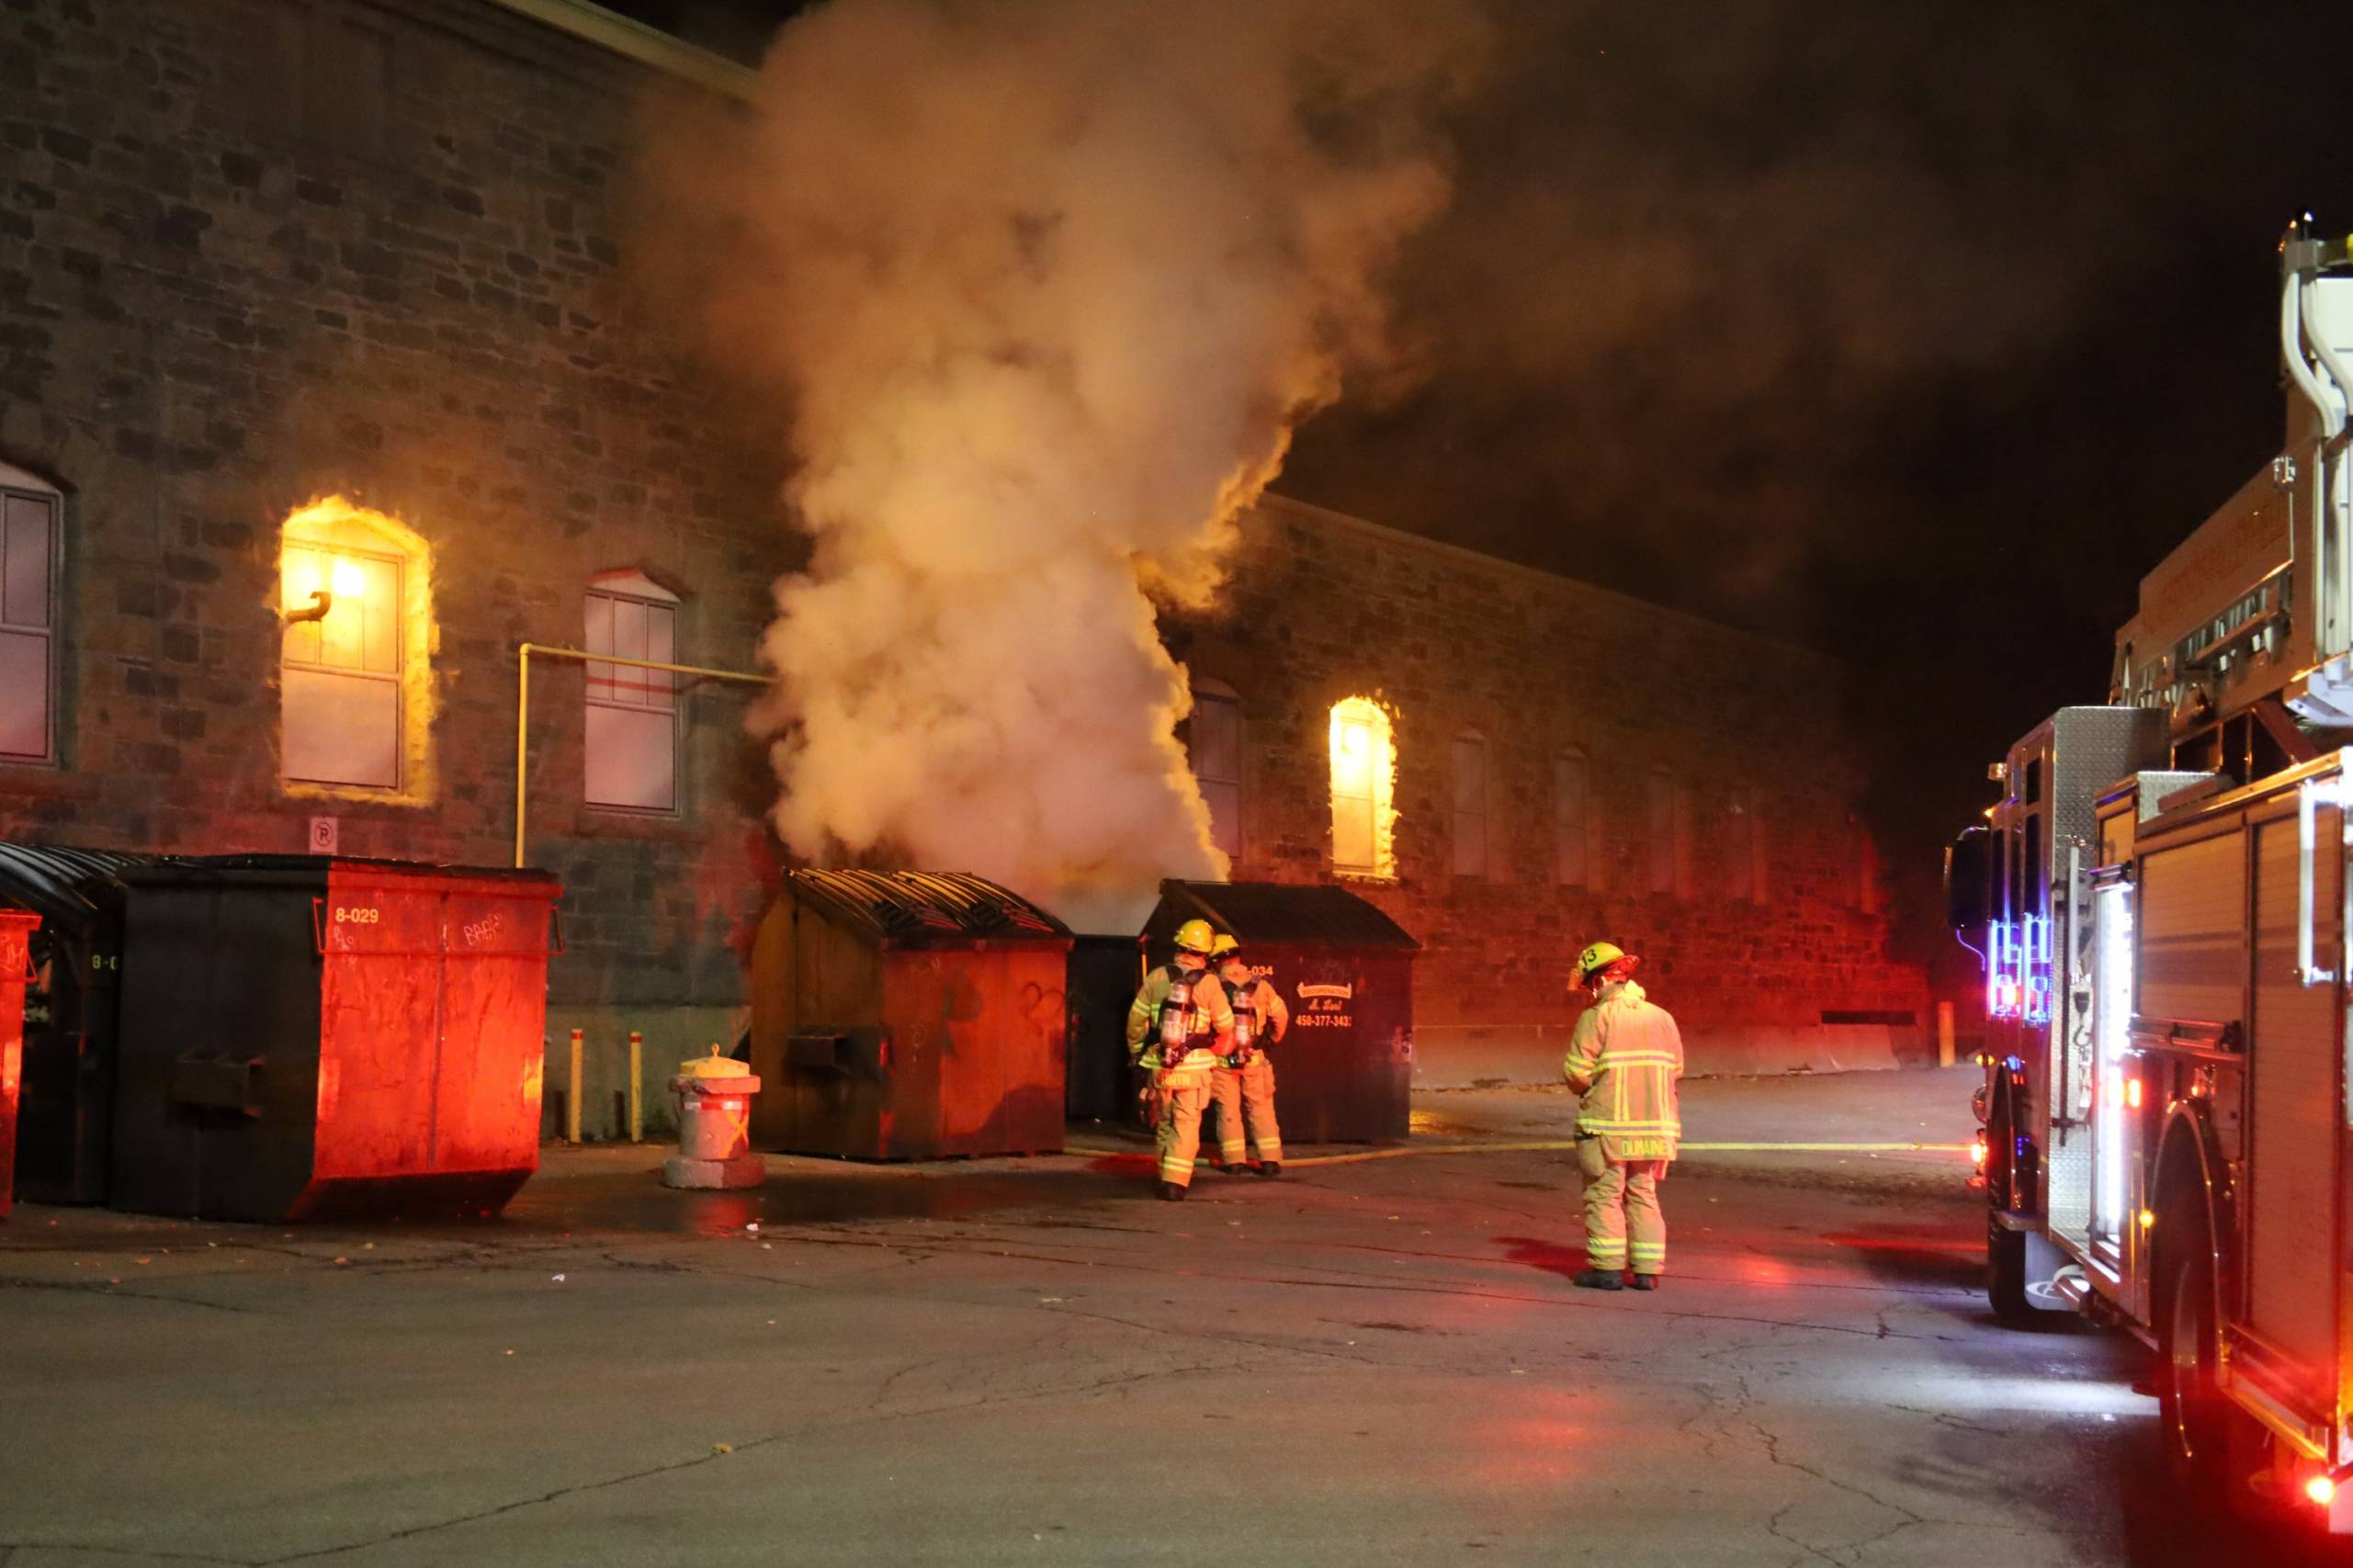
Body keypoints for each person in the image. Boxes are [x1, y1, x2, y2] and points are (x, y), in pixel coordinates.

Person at [1562, 941, 1683, 1292]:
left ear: (1600, 981)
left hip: (1608, 1126)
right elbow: (1676, 1068)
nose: (1590, 994)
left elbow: (1576, 1074)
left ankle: (1607, 1269)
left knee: (1604, 1194)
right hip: (1655, 1127)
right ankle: (1647, 1271)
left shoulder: (1596, 1017)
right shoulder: (1662, 1017)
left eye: (1590, 986)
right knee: (1643, 1193)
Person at [1125, 918, 1235, 1201]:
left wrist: (1137, 1052)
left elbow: (1136, 1020)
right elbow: (1225, 1024)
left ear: (1179, 946)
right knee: (1186, 1124)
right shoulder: (1209, 983)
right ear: (1205, 952)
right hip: (1194, 1068)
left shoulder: (1156, 977)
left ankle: (1164, 1174)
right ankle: (1175, 1182)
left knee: (1165, 1121)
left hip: (1161, 1064)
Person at [1207, 934, 1287, 1177]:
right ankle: (1270, 1160)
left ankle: (1234, 1162)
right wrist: (1270, 1040)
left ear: (1215, 961)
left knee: (1228, 1110)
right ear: (1238, 956)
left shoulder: (1213, 986)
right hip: (1254, 1057)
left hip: (1224, 1061)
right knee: (1261, 1108)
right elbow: (1281, 1016)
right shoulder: (1261, 986)